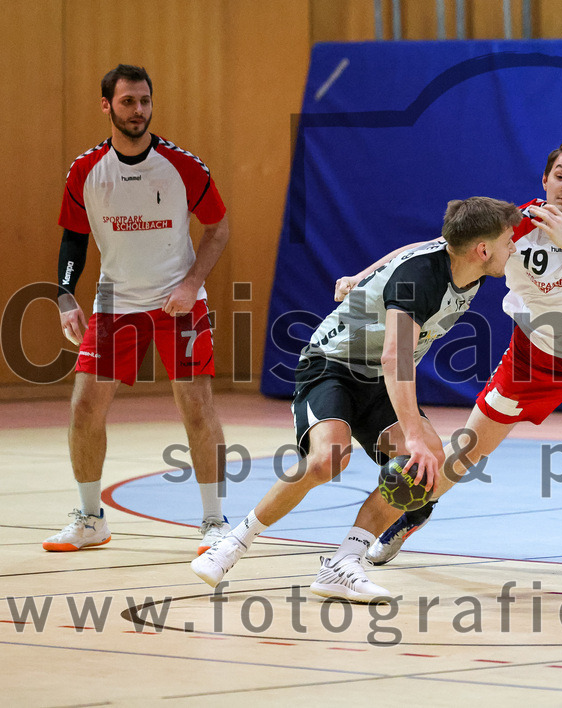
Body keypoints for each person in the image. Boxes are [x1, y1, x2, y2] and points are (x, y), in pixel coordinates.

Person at [191, 196, 521, 601]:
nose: (515, 248)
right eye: (510, 241)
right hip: (333, 365)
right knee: (327, 459)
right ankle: (233, 544)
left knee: (424, 466)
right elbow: (395, 358)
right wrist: (413, 436)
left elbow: (409, 249)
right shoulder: (420, 280)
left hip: (377, 380)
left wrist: (361, 276)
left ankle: (344, 563)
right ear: (483, 249)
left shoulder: (462, 256)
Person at [366, 142, 562, 573]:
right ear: (544, 180)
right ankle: (415, 511)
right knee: (465, 452)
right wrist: (362, 276)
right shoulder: (515, 223)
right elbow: (432, 250)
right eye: (560, 176)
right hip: (531, 363)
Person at [46, 64, 231, 554]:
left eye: (145, 101)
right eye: (128, 102)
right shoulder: (86, 171)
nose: (139, 111)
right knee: (85, 406)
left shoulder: (182, 166)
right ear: (106, 106)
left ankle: (214, 522)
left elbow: (219, 228)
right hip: (114, 301)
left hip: (178, 301)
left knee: (197, 405)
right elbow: (73, 238)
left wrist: (192, 284)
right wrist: (65, 295)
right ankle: (90, 520)